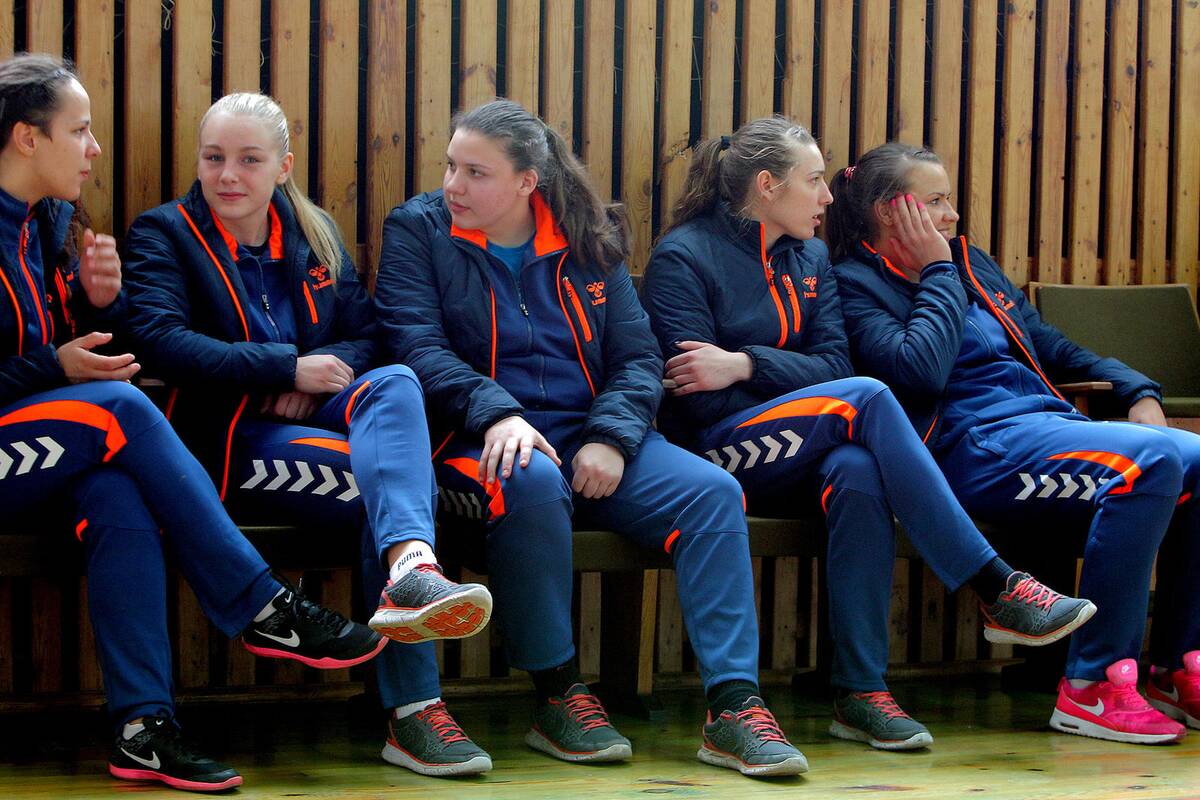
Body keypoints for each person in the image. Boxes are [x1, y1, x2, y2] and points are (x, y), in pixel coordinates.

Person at [374, 99, 808, 776]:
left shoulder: (586, 236)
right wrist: (498, 413)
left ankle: (733, 709)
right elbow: (415, 348)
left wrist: (609, 436)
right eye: (451, 166)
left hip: (592, 435)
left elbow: (637, 358)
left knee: (712, 494)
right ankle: (558, 695)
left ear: (527, 181)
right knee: (530, 477)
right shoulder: (418, 230)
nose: (453, 184)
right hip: (476, 436)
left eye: (475, 172)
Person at [640, 117, 1096, 751]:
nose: (829, 197)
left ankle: (860, 693)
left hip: (800, 442)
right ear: (768, 186)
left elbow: (834, 363)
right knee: (869, 397)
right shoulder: (683, 256)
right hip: (715, 452)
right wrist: (777, 383)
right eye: (814, 180)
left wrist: (745, 363)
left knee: (857, 468)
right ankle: (995, 586)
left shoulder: (812, 257)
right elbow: (696, 394)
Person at [0, 54, 388, 792]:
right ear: (27, 137)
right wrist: (53, 365)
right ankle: (259, 602)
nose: (94, 148)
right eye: (79, 131)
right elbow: (74, 366)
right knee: (119, 408)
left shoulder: (50, 222)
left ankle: (142, 730)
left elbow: (95, 346)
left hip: (42, 447)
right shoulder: (152, 230)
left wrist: (100, 305)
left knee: (117, 494)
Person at [120, 93, 493, 777]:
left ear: (282, 166)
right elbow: (159, 341)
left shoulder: (311, 233)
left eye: (248, 160)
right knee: (388, 491)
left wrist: (320, 372)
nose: (227, 175)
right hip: (228, 443)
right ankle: (415, 713)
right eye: (213, 158)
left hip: (313, 421)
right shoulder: (163, 233)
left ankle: (412, 570)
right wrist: (283, 366)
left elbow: (370, 336)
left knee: (397, 383)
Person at [829, 140, 1200, 744]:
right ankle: (1094, 687)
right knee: (1150, 461)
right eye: (936, 201)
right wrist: (938, 271)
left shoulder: (973, 263)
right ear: (891, 212)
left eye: (949, 200)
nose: (951, 214)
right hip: (970, 452)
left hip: (1044, 427)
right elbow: (919, 371)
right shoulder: (853, 284)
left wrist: (1138, 390)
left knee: (1195, 458)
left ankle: (1173, 668)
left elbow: (1050, 346)